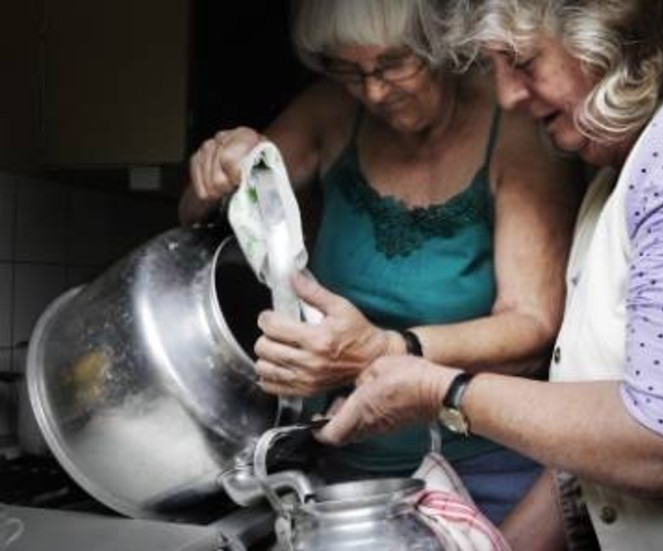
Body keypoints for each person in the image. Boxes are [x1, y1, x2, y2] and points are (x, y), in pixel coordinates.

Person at [316, 0, 663, 549]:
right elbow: (599, 445)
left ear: (606, 36)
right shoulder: (626, 170)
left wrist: (442, 391)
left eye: (521, 61)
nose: (507, 97)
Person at [179, 0, 579, 525]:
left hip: (486, 473)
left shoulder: (514, 128)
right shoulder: (329, 112)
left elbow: (532, 325)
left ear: (441, 47)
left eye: (393, 64)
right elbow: (197, 213)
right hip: (340, 475)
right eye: (348, 70)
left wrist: (390, 349)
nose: (372, 90)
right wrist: (222, 168)